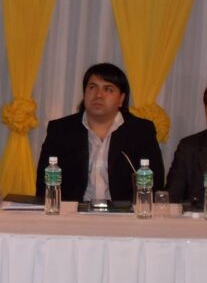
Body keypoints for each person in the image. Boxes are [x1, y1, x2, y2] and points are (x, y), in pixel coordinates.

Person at [35, 63, 164, 202]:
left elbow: (154, 185)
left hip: (124, 216)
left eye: (108, 89)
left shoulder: (140, 131)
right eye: (92, 87)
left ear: (121, 99)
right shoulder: (61, 129)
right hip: (73, 215)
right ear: (84, 94)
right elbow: (44, 187)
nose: (98, 95)